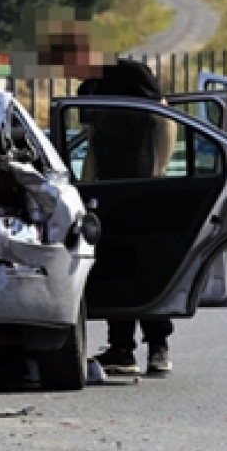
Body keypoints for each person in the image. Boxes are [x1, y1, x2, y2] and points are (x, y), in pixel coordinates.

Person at [76, 57, 177, 377]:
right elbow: (92, 142)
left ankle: (158, 345)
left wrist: (157, 171)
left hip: (142, 184)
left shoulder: (131, 74)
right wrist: (87, 190)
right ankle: (121, 348)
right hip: (108, 188)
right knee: (114, 267)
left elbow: (166, 119)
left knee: (145, 264)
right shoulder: (86, 89)